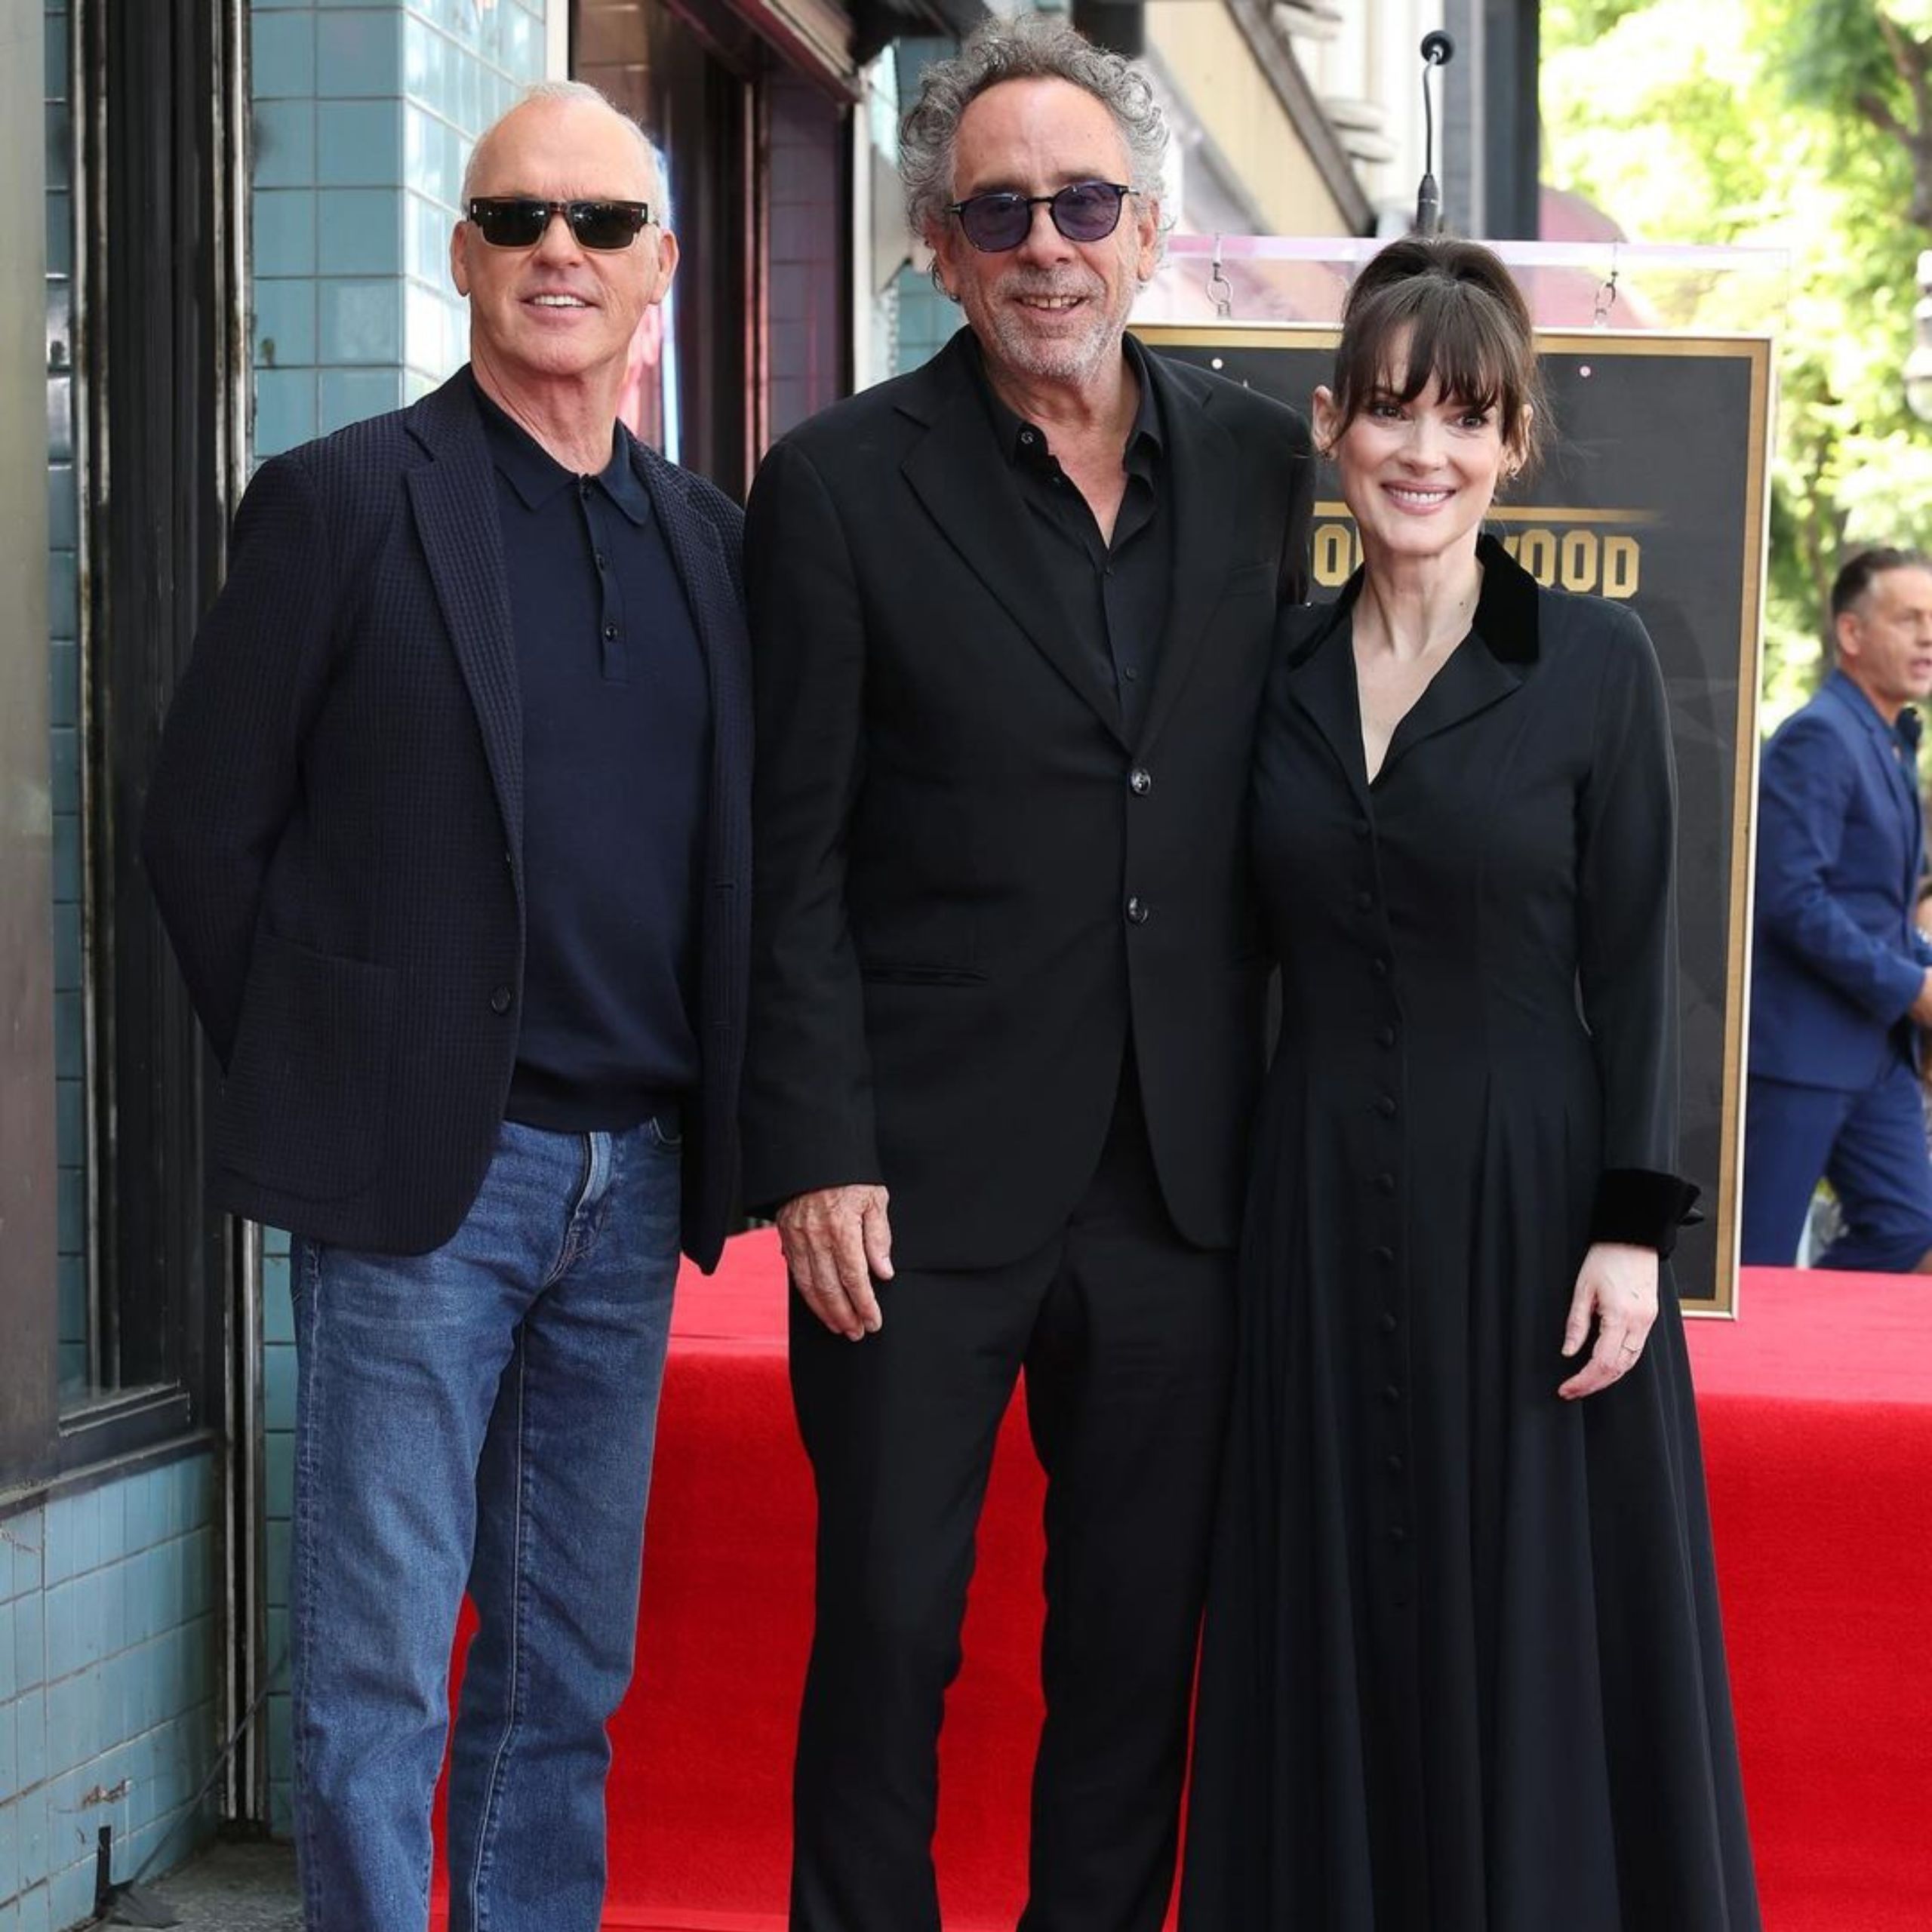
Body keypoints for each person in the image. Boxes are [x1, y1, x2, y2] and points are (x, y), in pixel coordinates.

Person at [141, 82, 750, 1932]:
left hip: (630, 1178)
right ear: (462, 252)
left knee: (563, 1669)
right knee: (378, 1667)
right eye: (516, 218)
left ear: (659, 265)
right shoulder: (345, 500)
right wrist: (338, 1073)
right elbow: (200, 831)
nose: (557, 250)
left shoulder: (709, 542)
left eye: (597, 222)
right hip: (423, 1183)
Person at [739, 17, 1314, 1930]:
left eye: (1081, 204)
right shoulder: (832, 485)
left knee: (1136, 1651)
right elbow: (786, 856)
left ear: (1147, 227)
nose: (1043, 246)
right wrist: (815, 1145)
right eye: (997, 212)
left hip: (1182, 1178)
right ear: (933, 243)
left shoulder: (1258, 467)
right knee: (888, 1626)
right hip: (911, 1183)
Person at [1180, 236, 1760, 1930]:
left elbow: (1640, 966)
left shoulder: (1592, 662)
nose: (1420, 451)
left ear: (1512, 442)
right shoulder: (1270, 674)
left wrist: (1631, 1234)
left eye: (1461, 417)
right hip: (1311, 1202)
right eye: (1387, 410)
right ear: (1329, 426)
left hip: (1527, 1207)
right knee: (1333, 1585)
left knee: (1525, 1606)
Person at [1741, 547, 1932, 1270]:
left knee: (1908, 1226)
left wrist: (1920, 968)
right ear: (1850, 633)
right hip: (1801, 1053)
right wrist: (1910, 986)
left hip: (1876, 1054)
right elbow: (1791, 898)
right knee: (1756, 1261)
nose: (1928, 637)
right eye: (1909, 619)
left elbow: (1877, 907)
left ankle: (1800, 1330)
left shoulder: (1888, 741)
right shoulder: (1819, 735)